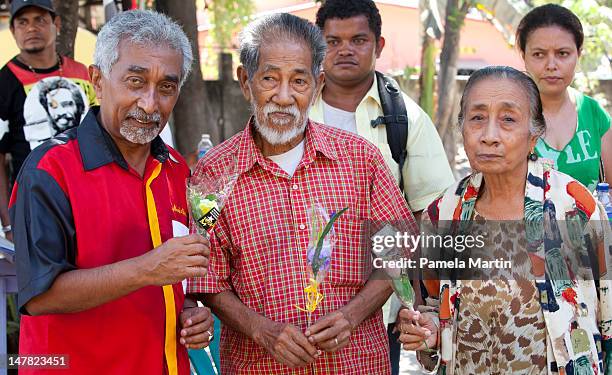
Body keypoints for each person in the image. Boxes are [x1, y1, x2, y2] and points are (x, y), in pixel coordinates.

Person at [187, 13, 416, 374]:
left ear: (317, 84)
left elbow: (401, 247)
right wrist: (261, 330)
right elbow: (207, 278)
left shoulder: (361, 160)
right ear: (246, 82)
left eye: (298, 81)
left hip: (357, 364)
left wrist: (351, 316)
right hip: (258, 366)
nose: (283, 96)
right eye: (269, 78)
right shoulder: (213, 174)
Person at [11, 10, 213, 374]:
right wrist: (149, 269)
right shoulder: (50, 169)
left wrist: (190, 311)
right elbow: (39, 295)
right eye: (135, 81)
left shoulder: (175, 170)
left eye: (166, 88)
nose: (150, 103)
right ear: (98, 81)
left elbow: (173, 277)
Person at [397, 66, 612, 374]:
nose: (489, 136)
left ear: (534, 135)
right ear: (462, 128)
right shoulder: (443, 214)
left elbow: (608, 314)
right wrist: (427, 330)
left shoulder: (574, 208)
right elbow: (433, 306)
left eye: (508, 119)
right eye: (477, 118)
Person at [311, 1, 455, 371]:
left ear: (379, 45)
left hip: (379, 306)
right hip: (294, 300)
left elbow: (431, 214)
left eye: (358, 39)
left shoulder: (405, 118)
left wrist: (421, 297)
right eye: (333, 40)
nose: (345, 49)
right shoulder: (293, 107)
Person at [0, 0, 97, 242]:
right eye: (23, 22)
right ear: (13, 31)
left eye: (40, 20)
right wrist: (9, 224)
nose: (31, 28)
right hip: (33, 207)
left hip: (89, 199)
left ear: (57, 23)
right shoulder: (5, 81)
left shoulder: (84, 73)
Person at [516, 4, 612, 191]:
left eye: (562, 53)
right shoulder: (508, 116)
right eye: (539, 54)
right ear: (524, 56)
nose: (551, 65)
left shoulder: (593, 113)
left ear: (578, 54)